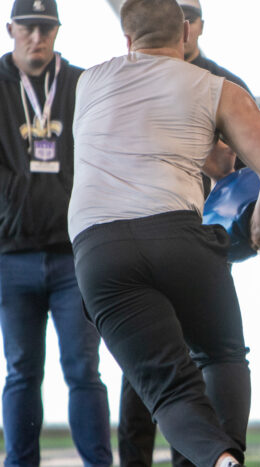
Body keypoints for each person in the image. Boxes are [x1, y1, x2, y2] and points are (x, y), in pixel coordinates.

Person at [68, 1, 260, 466]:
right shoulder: (216, 88)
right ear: (187, 35)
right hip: (176, 234)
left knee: (167, 388)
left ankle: (218, 460)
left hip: (98, 249)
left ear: (127, 40)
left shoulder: (88, 81)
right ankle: (230, 453)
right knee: (222, 355)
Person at [115, 2, 257, 466]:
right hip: (138, 237)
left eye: (190, 13)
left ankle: (201, 459)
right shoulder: (126, 81)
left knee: (207, 364)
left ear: (198, 24)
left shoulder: (223, 86)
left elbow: (248, 171)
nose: (183, 22)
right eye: (176, 13)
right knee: (142, 373)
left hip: (200, 243)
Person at [0, 1, 112, 465]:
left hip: (74, 256)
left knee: (84, 369)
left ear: (58, 31)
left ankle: (98, 463)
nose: (38, 38)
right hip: (11, 254)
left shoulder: (82, 84)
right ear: (11, 30)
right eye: (29, 28)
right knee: (22, 371)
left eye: (47, 29)